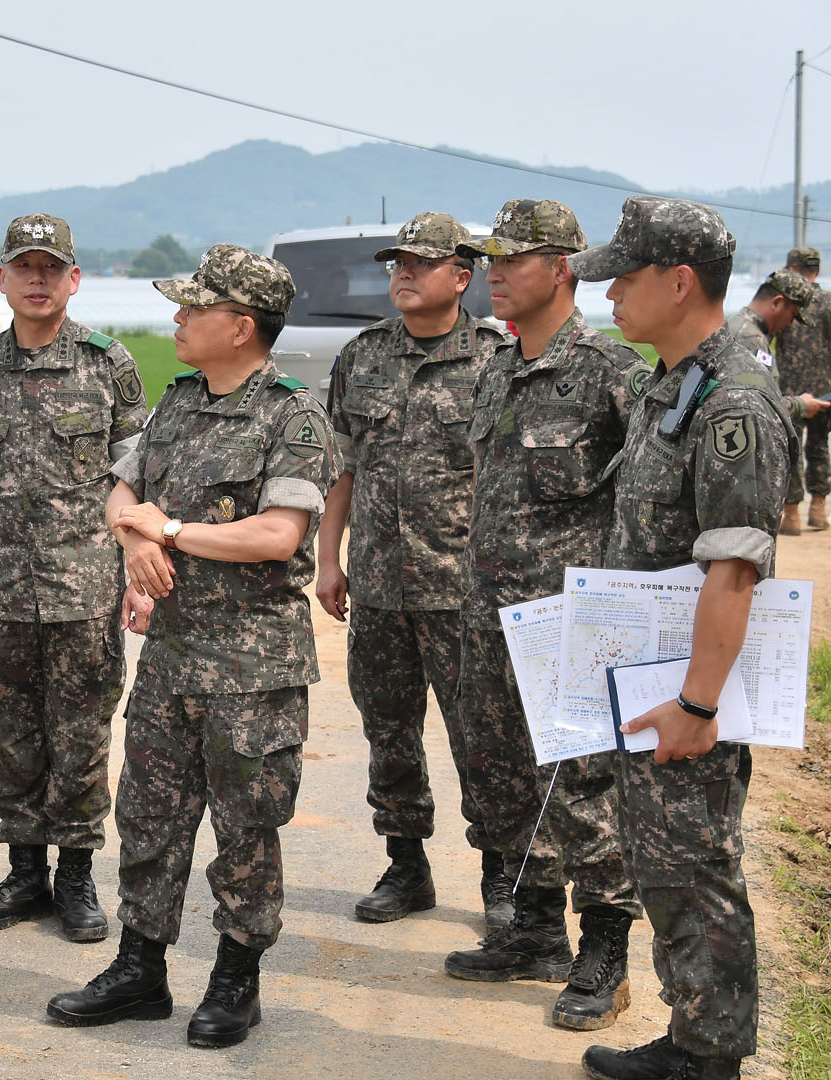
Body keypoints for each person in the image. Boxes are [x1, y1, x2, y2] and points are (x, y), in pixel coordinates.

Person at [45, 244, 338, 1049]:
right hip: (172, 657)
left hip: (253, 667)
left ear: (241, 326)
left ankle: (236, 977)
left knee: (246, 826)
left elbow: (277, 535)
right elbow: (120, 493)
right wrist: (137, 541)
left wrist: (168, 530)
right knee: (149, 816)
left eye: (194, 307)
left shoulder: (293, 416)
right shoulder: (176, 404)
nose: (177, 318)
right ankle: (140, 968)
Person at [569, 196, 793, 1080]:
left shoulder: (732, 400)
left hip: (688, 689)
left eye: (624, 278)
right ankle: (693, 1037)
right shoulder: (675, 382)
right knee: (664, 864)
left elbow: (734, 568)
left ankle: (711, 1059)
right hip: (652, 675)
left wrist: (698, 705)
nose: (610, 295)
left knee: (695, 870)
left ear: (680, 281)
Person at [440, 199, 645, 1031]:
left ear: (561, 269)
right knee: (499, 776)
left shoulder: (610, 372)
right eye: (490, 259)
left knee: (583, 787)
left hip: (570, 623)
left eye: (511, 259)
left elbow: (653, 494)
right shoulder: (497, 367)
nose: (493, 273)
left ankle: (605, 952)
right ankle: (532, 932)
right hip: (489, 616)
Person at [0, 213, 147, 943]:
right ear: (2, 277)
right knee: (13, 735)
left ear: (74, 279)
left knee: (82, 737)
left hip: (84, 591)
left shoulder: (108, 364)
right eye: (24, 267)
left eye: (51, 268)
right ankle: (25, 872)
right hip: (1, 589)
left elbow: (134, 481)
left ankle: (76, 876)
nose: (37, 280)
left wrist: (137, 576)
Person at [315, 211, 509, 925]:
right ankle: (406, 866)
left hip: (462, 589)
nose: (403, 273)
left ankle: (501, 878)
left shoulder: (496, 360)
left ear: (462, 276)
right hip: (378, 585)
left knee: (482, 739)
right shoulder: (361, 357)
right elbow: (342, 468)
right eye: (398, 263)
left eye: (420, 263)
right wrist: (328, 559)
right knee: (388, 731)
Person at [724, 268, 828, 499]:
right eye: (792, 315)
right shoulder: (751, 340)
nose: (790, 324)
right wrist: (801, 405)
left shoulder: (739, 326)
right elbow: (759, 406)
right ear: (777, 303)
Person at [774, 247, 831, 533]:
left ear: (792, 270)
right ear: (816, 270)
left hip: (789, 391)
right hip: (824, 389)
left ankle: (792, 514)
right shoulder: (828, 301)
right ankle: (818, 508)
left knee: (791, 451)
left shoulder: (784, 300)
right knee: (819, 447)